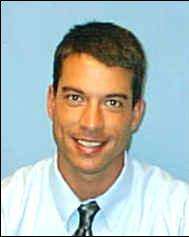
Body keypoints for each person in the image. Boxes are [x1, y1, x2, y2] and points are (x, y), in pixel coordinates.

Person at [1, 21, 189, 236]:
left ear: (136, 114)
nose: (91, 124)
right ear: (51, 102)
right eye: (75, 98)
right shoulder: (8, 209)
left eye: (112, 103)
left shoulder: (179, 216)